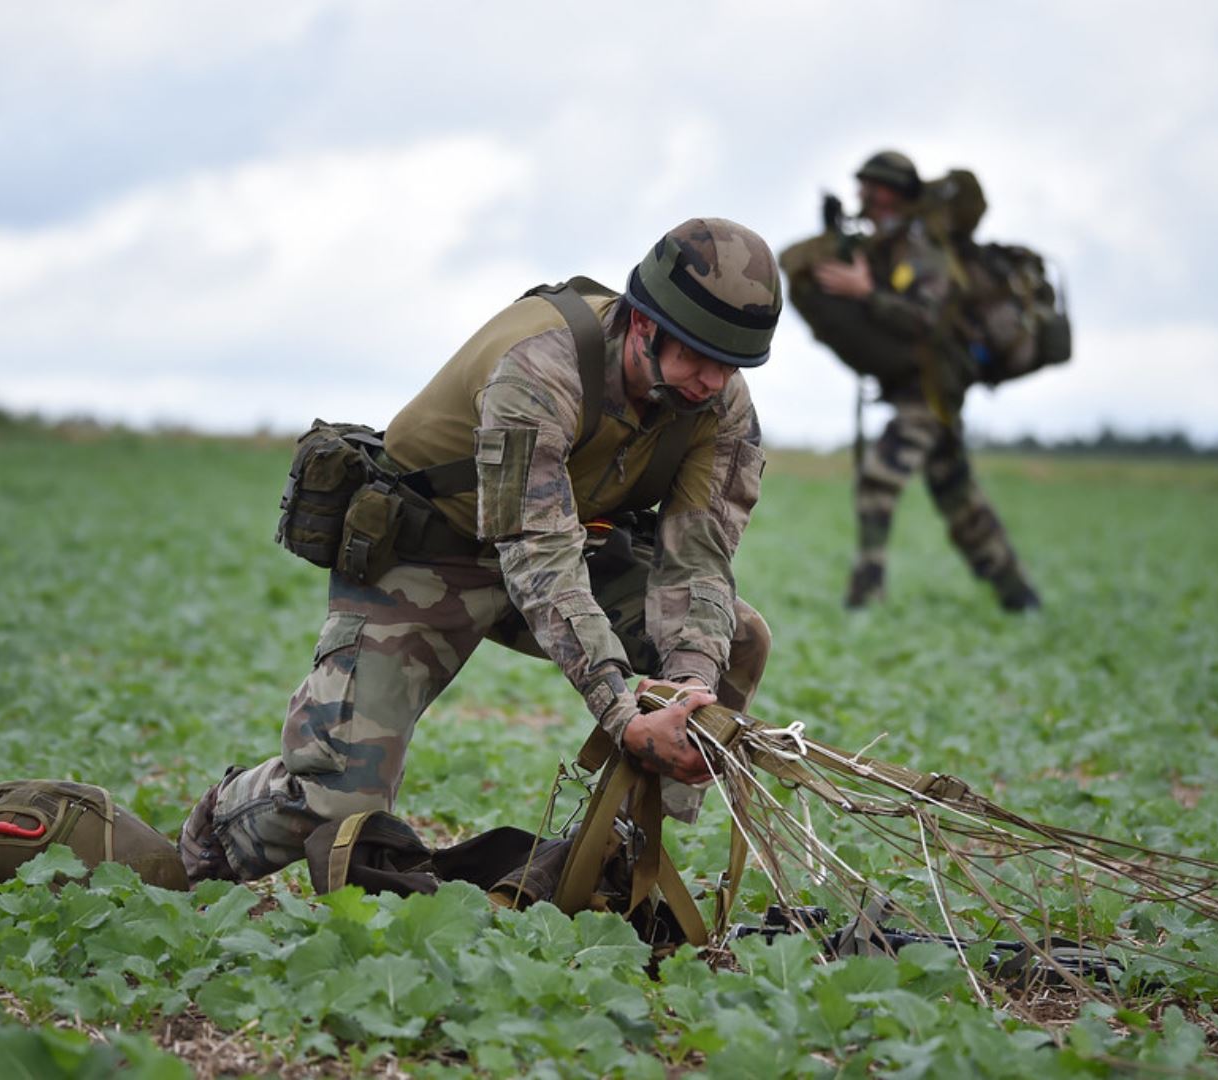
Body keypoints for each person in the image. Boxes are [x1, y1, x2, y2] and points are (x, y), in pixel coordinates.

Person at [181, 218, 783, 885]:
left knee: (738, 640)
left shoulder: (721, 406)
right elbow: (538, 556)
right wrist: (619, 708)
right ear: (643, 326)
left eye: (730, 365)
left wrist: (689, 689)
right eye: (697, 357)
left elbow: (697, 561)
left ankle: (611, 860)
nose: (712, 380)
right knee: (337, 803)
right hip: (428, 555)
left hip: (563, 547)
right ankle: (212, 832)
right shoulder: (541, 367)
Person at [779, 151, 1040, 612]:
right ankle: (1019, 597)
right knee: (960, 501)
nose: (861, 194)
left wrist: (867, 294)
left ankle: (866, 594)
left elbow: (927, 319)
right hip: (919, 390)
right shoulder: (884, 244)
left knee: (879, 479)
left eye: (870, 187)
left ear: (890, 194)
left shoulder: (920, 250)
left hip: (931, 390)